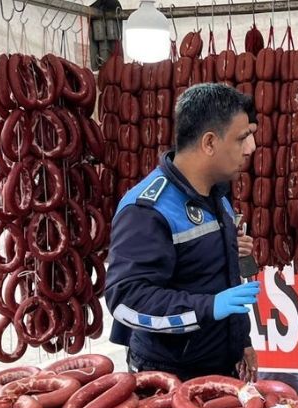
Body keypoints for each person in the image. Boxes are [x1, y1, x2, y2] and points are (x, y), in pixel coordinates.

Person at [105, 83, 260, 381]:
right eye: (242, 137)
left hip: (219, 365)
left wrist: (242, 340)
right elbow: (125, 302)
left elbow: (221, 279)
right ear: (210, 143)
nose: (251, 148)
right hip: (167, 376)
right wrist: (208, 307)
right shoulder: (147, 210)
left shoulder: (218, 197)